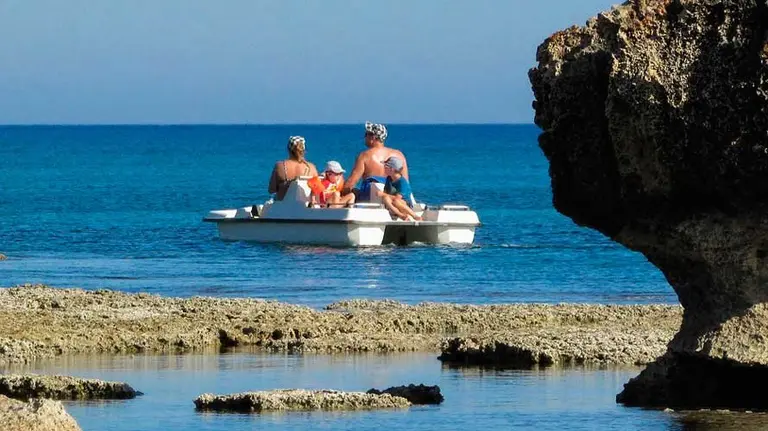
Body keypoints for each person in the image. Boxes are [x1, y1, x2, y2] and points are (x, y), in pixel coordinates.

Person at [342, 121, 410, 202]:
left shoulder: (365, 156)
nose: (364, 138)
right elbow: (405, 183)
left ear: (373, 137)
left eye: (366, 135)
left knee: (353, 192)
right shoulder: (399, 155)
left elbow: (351, 182)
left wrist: (341, 192)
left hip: (372, 199)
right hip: (396, 200)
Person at [268, 136, 319, 200]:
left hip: (283, 207)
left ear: (289, 149)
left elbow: (271, 190)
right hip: (305, 207)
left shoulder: (280, 166)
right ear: (303, 150)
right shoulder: (312, 168)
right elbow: (317, 190)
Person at [378, 156, 421, 221]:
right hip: (393, 204)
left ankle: (414, 216)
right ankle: (401, 215)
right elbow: (386, 192)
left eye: (385, 167)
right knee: (386, 198)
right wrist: (384, 196)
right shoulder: (388, 179)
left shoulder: (402, 182)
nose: (384, 168)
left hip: (404, 204)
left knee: (396, 201)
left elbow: (397, 198)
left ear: (392, 169)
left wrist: (382, 194)